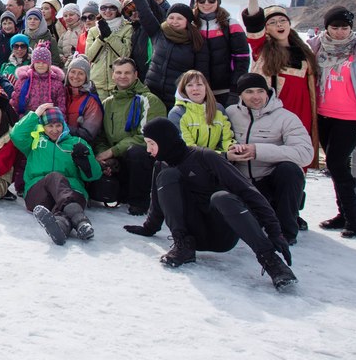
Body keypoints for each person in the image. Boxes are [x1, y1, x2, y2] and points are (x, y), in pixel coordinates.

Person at [123, 118, 297, 291]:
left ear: (165, 140)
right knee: (167, 176)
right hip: (192, 236)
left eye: (151, 143)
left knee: (222, 197)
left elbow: (249, 193)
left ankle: (271, 261)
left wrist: (275, 232)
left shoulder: (205, 156)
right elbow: (158, 203)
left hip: (221, 232)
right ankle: (183, 245)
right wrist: (148, 228)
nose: (148, 149)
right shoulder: (161, 165)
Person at [307, 5, 356, 238]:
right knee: (333, 165)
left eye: (344, 27)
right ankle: (343, 214)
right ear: (326, 27)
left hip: (351, 117)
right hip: (322, 114)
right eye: (335, 27)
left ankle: (354, 219)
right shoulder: (314, 48)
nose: (340, 32)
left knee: (338, 164)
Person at [224, 73, 314, 244]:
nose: (256, 97)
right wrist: (229, 152)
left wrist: (258, 150)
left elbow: (305, 153)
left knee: (290, 170)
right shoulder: (230, 113)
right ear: (240, 95)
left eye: (260, 91)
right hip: (241, 182)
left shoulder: (285, 118)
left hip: (269, 181)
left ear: (268, 92)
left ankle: (286, 231)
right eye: (249, 92)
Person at [242, 0, 321, 165]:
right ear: (266, 28)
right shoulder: (262, 48)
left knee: (298, 154)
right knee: (274, 155)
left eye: (282, 20)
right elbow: (253, 22)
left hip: (302, 109)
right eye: (273, 22)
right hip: (275, 108)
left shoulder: (304, 51)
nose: (279, 24)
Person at [11, 107, 101, 244]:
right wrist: (36, 113)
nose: (55, 130)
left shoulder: (77, 143)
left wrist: (85, 162)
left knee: (64, 205)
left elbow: (94, 176)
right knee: (54, 177)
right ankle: (81, 221)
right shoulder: (34, 141)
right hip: (40, 192)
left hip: (72, 190)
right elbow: (16, 134)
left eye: (58, 125)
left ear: (63, 124)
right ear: (43, 126)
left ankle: (60, 227)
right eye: (50, 126)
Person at [93, 58, 163, 214]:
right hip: (118, 161)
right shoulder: (108, 103)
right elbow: (101, 136)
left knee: (136, 152)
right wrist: (105, 157)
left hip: (140, 161)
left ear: (136, 75)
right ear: (113, 75)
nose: (122, 76)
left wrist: (113, 151)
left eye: (127, 73)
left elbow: (146, 137)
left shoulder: (149, 100)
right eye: (118, 72)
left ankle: (139, 202)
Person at [190, 0, 249, 105]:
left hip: (225, 90)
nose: (206, 3)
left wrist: (235, 89)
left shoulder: (231, 25)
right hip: (197, 90)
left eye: (211, 0)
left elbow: (242, 60)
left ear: (218, 1)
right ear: (197, 2)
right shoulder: (191, 25)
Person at [169, 70, 234, 154]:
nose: (195, 89)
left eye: (199, 84)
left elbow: (226, 139)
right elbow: (188, 148)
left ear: (206, 88)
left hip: (216, 162)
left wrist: (232, 148)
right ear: (183, 90)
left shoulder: (219, 109)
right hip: (188, 163)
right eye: (190, 85)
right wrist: (223, 156)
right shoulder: (177, 113)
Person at [84, 0, 133, 99]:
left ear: (118, 10)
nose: (107, 11)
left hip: (118, 83)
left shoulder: (127, 28)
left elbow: (125, 54)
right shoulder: (93, 31)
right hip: (97, 83)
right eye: (103, 8)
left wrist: (110, 37)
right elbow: (90, 57)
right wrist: (101, 38)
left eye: (112, 8)